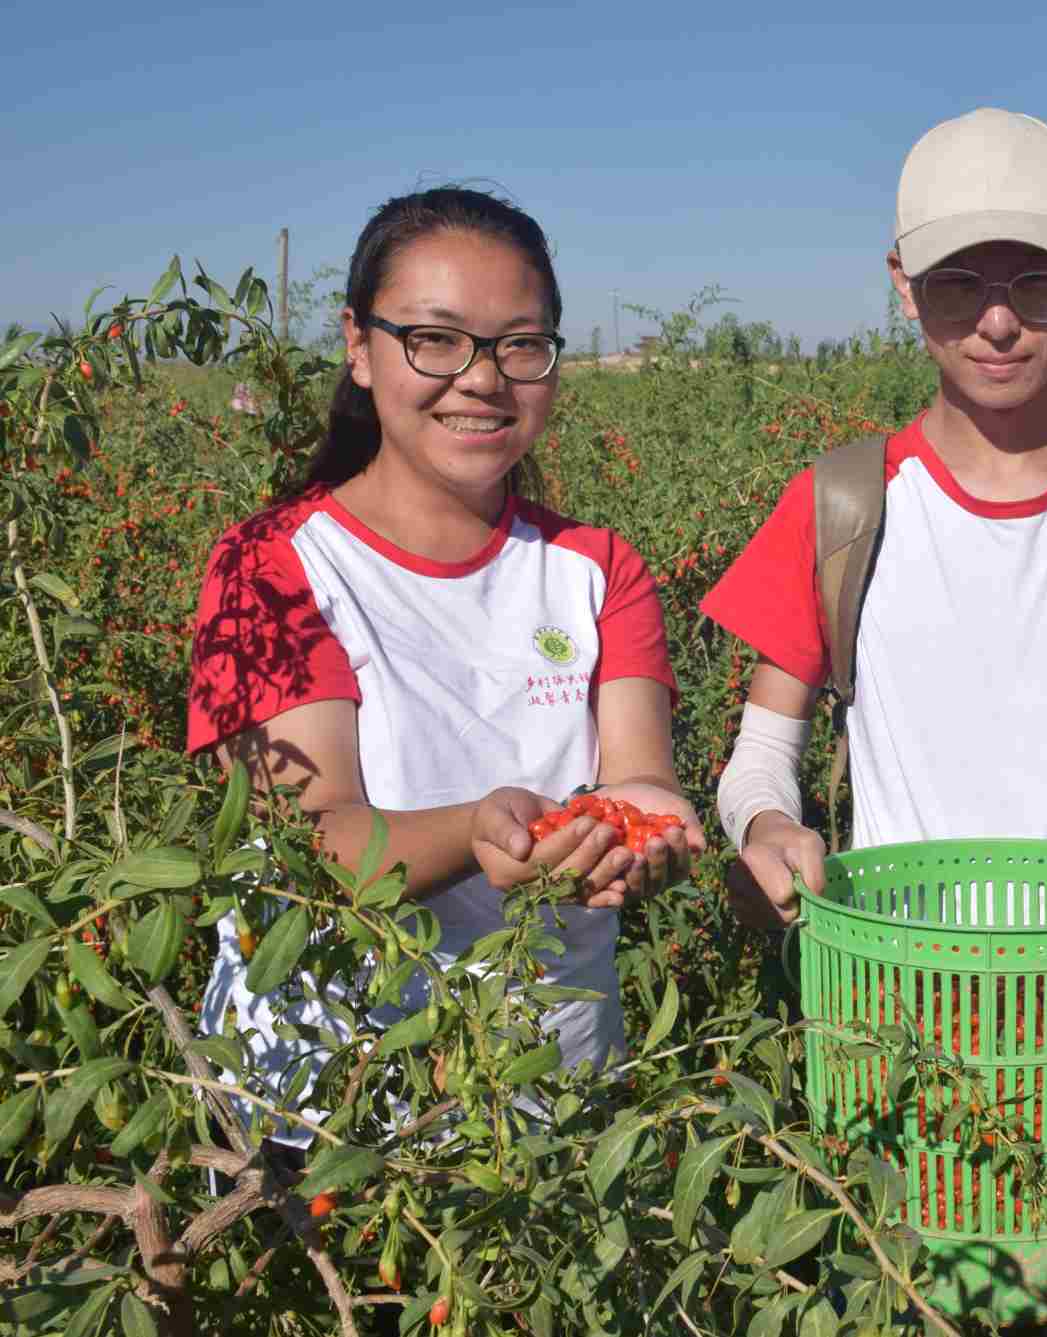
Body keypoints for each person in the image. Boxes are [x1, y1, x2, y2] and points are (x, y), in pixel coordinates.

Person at [700, 108, 1047, 1332]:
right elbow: (760, 755)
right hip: (905, 1055)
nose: (997, 321)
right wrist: (765, 828)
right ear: (902, 287)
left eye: (1034, 282)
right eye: (958, 284)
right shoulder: (841, 506)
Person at [187, 186, 701, 1147]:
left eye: (520, 345)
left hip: (554, 1105)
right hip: (326, 1111)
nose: (482, 378)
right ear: (359, 346)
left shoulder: (598, 569)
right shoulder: (272, 568)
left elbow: (641, 779)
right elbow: (310, 843)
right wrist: (474, 831)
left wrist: (651, 833)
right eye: (436, 340)